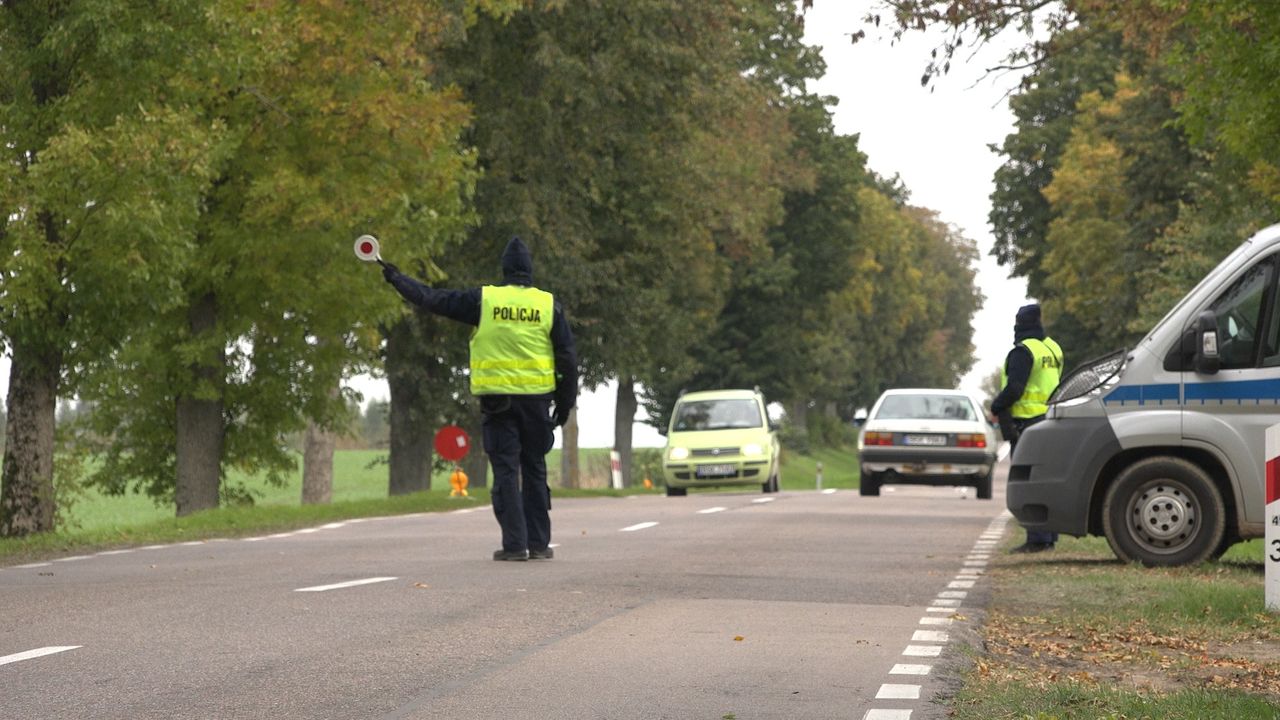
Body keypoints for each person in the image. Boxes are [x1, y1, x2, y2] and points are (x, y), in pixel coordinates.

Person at [382, 237, 578, 561]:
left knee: (504, 469)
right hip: (537, 402)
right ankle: (540, 544)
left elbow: (434, 299)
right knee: (534, 469)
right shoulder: (548, 305)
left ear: (504, 270)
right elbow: (567, 357)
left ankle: (515, 546)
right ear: (529, 271)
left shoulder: (484, 300)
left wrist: (398, 279)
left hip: (498, 402)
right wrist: (565, 402)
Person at [989, 303, 1063, 554]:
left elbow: (1015, 389)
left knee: (1029, 481)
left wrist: (997, 405)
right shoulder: (1053, 349)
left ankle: (1037, 539)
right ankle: (1049, 535)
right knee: (1047, 479)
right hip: (1052, 419)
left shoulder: (1023, 351)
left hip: (1028, 424)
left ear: (1019, 324)